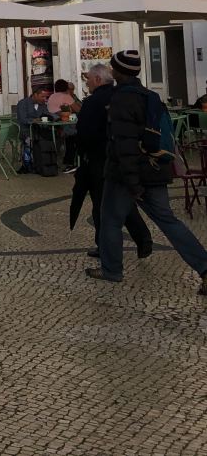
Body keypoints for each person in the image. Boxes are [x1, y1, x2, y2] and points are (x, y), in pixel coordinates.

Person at [87, 50, 207, 295]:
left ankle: (112, 269)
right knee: (168, 221)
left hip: (126, 175)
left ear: (120, 72)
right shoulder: (150, 96)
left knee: (110, 220)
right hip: (156, 168)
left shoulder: (121, 100)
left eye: (113, 67)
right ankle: (205, 268)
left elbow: (124, 144)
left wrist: (133, 183)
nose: (111, 70)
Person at [73, 63, 152, 260]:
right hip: (123, 157)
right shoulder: (120, 96)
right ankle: (143, 238)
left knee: (102, 205)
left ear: (98, 79)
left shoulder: (93, 101)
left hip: (99, 159)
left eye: (88, 80)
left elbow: (84, 132)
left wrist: (81, 153)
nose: (87, 84)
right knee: (123, 201)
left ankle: (105, 249)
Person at [46, 79, 81, 172]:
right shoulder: (66, 97)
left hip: (52, 126)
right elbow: (78, 110)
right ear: (66, 88)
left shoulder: (52, 96)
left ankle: (67, 162)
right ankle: (71, 163)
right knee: (75, 135)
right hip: (64, 126)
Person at [14, 86, 51, 174]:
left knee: (52, 136)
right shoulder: (23, 103)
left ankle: (45, 162)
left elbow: (47, 115)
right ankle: (27, 165)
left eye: (46, 97)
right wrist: (34, 120)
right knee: (29, 140)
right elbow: (22, 119)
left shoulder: (43, 105)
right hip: (25, 130)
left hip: (40, 130)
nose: (45, 99)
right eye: (42, 96)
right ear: (35, 95)